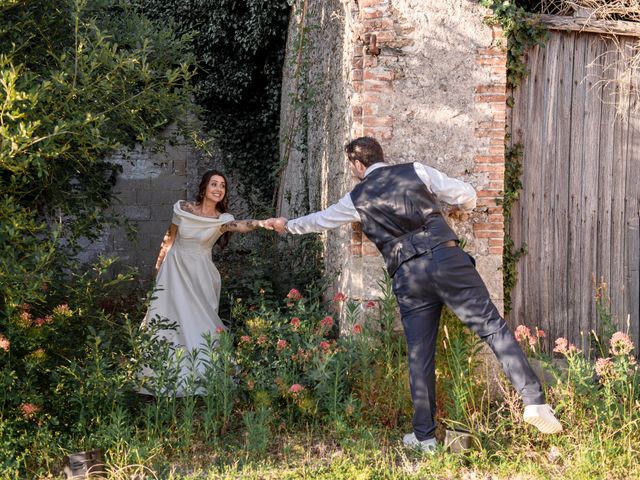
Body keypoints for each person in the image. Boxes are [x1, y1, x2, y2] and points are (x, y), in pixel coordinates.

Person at [265, 136, 562, 451]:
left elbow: (319, 221)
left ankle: (424, 437)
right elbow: (466, 193)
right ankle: (533, 401)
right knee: (492, 327)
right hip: (445, 258)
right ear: (381, 156)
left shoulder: (355, 198)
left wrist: (287, 225)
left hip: (408, 275)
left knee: (420, 355)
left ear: (357, 164)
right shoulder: (416, 170)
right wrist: (465, 208)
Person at [139, 169, 265, 396]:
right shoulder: (184, 209)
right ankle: (160, 378)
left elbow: (242, 225)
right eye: (214, 184)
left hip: (201, 275)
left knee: (202, 323)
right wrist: (159, 266)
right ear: (204, 187)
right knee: (168, 319)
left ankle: (206, 377)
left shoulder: (222, 220)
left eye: (222, 186)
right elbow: (170, 237)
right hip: (174, 270)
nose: (218, 189)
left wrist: (262, 223)